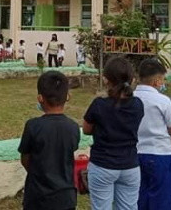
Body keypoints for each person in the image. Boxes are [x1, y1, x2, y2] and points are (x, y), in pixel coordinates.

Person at [82, 57, 144, 210]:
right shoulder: (137, 104)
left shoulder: (99, 104)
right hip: (130, 165)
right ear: (132, 79)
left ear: (105, 79)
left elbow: (86, 129)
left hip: (103, 164)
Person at [18, 71, 80, 209]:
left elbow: (25, 159)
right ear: (67, 97)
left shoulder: (33, 126)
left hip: (38, 197)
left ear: (40, 98)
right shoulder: (73, 127)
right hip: (66, 197)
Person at [135, 59, 171, 210]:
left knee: (137, 198)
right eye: (162, 79)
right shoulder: (163, 101)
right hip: (160, 154)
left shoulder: (129, 99)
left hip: (134, 154)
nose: (163, 83)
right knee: (161, 200)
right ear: (156, 81)